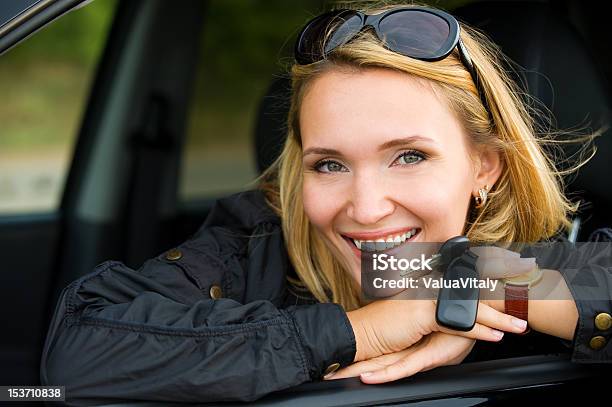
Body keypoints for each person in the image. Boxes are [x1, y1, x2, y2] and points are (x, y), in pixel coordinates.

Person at [40, 2, 611, 404]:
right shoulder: (258, 239)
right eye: (330, 165)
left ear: (484, 166)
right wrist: (360, 330)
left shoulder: (563, 252)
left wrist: (473, 279)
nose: (364, 209)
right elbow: (79, 352)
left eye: (409, 156)